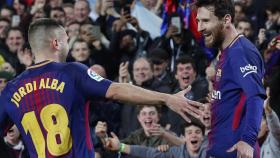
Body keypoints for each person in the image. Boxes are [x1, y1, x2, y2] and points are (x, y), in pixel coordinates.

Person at [0, 18, 202, 158]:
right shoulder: (71, 73)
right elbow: (116, 90)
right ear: (56, 43)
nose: (68, 46)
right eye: (66, 41)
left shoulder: (11, 89)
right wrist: (166, 98)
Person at [195, 0, 266, 158]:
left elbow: (256, 96)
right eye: (198, 21)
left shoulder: (240, 52)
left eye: (206, 20)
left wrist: (248, 140)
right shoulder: (227, 51)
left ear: (226, 19)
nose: (199, 28)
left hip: (238, 153)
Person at [105, 120, 207, 158]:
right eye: (189, 133)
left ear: (203, 137)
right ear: (183, 138)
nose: (194, 135)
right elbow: (147, 152)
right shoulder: (176, 153)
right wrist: (121, 146)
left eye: (197, 132)